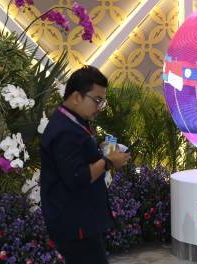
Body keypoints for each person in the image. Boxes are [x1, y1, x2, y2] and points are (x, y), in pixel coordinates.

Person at [40, 66, 130, 264]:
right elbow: (78, 177)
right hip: (74, 222)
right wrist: (108, 161)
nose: (99, 107)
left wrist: (99, 151)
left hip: (78, 218)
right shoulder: (65, 131)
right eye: (97, 100)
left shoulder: (72, 121)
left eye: (102, 101)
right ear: (76, 97)